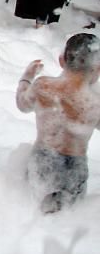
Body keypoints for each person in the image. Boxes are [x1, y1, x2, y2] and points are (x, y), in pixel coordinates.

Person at [16, 33, 100, 213]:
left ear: (62, 60)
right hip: (74, 169)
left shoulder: (43, 86)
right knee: (65, 219)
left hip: (41, 161)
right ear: (98, 67)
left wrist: (26, 78)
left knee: (29, 208)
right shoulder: (95, 103)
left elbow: (22, 104)